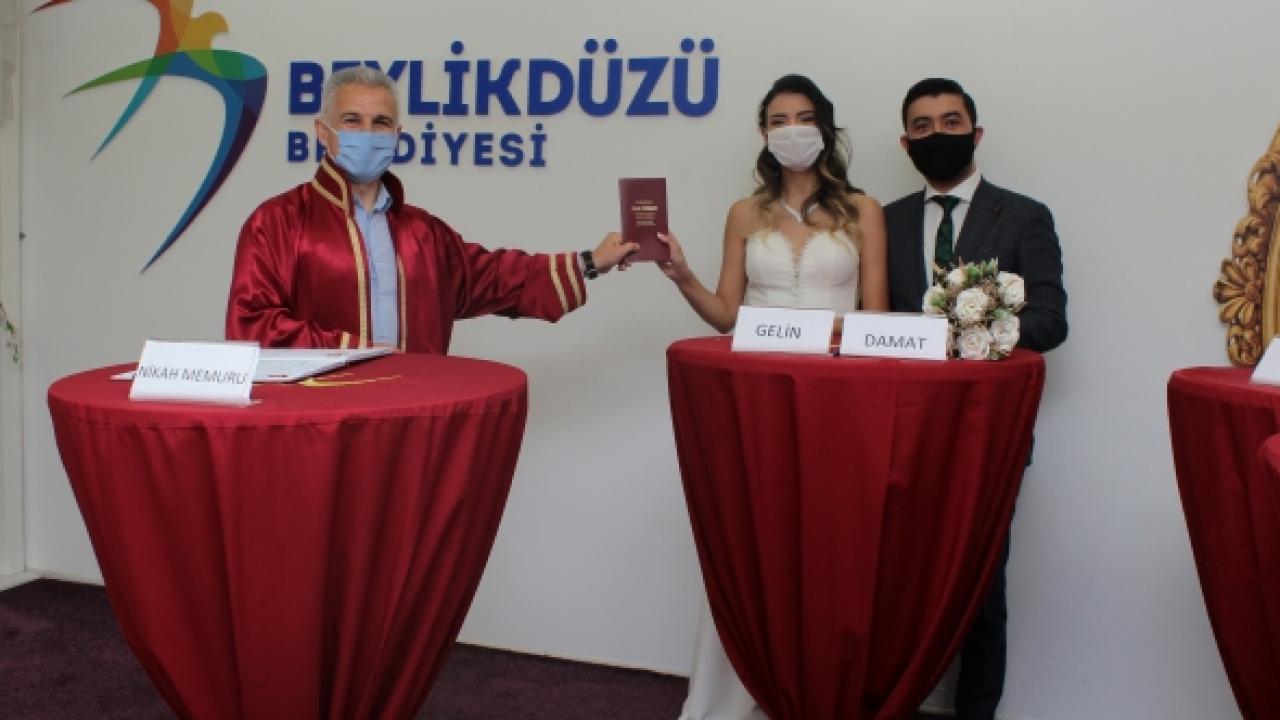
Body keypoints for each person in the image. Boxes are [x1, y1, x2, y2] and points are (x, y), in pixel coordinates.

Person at [657, 73, 889, 720]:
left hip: (835, 393)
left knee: (825, 537)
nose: (792, 131)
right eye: (779, 120)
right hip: (755, 393)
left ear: (826, 128)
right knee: (753, 532)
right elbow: (726, 315)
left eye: (804, 118)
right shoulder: (744, 213)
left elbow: (876, 316)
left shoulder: (864, 210)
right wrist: (682, 275)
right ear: (763, 133)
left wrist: (817, 336)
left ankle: (813, 687)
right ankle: (734, 693)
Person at [884, 78, 1067, 720]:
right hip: (900, 431)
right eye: (923, 127)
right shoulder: (884, 221)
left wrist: (975, 327)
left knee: (981, 587)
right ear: (906, 143)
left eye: (951, 122)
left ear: (976, 133)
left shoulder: (1023, 215)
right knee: (894, 580)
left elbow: (1051, 320)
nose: (938, 135)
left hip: (987, 435)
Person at [225, 66, 635, 353]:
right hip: (324, 423)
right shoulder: (276, 223)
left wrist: (591, 261)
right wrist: (352, 352)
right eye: (352, 120)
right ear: (322, 131)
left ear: (397, 135)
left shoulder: (422, 233)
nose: (368, 133)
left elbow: (496, 276)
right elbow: (252, 324)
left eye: (381, 123)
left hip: (413, 416)